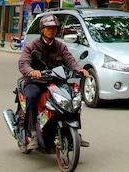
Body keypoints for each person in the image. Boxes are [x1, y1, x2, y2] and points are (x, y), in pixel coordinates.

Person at [18, 14, 90, 150]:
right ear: (42, 30)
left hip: (55, 81)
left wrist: (79, 70)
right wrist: (31, 71)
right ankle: (32, 134)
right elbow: (23, 63)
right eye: (48, 28)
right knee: (31, 97)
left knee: (73, 97)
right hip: (36, 82)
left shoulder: (60, 46)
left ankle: (74, 131)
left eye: (54, 28)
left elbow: (70, 61)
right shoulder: (32, 45)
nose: (51, 30)